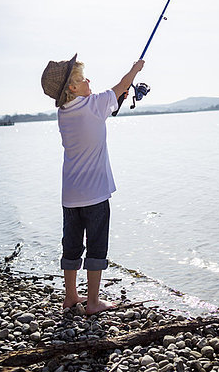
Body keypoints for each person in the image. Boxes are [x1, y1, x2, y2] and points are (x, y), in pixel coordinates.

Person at [41, 54, 144, 314]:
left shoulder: (63, 114)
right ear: (73, 88)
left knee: (72, 246)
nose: (89, 81)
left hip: (70, 196)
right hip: (96, 196)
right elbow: (121, 86)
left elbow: (111, 97)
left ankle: (71, 296)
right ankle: (94, 302)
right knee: (96, 247)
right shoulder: (95, 106)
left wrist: (120, 90)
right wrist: (136, 68)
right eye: (83, 79)